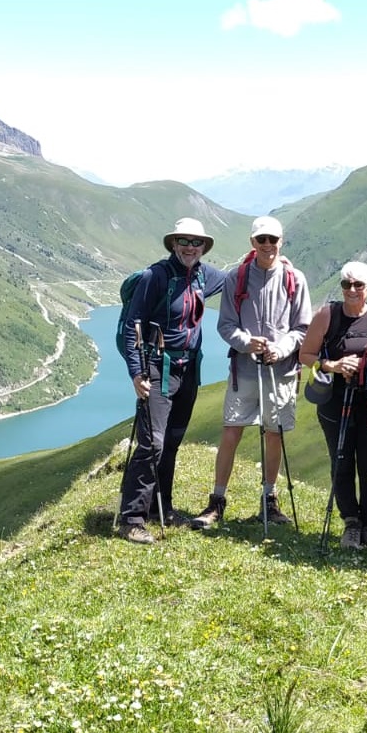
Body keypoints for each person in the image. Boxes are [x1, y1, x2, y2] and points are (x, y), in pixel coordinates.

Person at [192, 216, 312, 527]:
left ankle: (269, 501)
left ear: (281, 241)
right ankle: (217, 501)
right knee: (232, 430)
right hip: (244, 367)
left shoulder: (294, 279)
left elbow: (303, 328)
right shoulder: (237, 278)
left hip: (281, 369)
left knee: (274, 434)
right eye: (262, 240)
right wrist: (249, 343)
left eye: (273, 239)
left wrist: (281, 348)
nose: (268, 245)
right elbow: (226, 325)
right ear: (253, 243)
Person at [116, 218, 227, 544]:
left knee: (172, 442)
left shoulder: (203, 275)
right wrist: (137, 373)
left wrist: (270, 259)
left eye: (196, 242)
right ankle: (131, 518)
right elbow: (133, 324)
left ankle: (159, 508)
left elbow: (237, 275)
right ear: (174, 244)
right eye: (184, 241)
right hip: (157, 369)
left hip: (188, 370)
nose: (190, 247)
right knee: (153, 443)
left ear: (203, 247)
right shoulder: (156, 276)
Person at [298, 261, 367, 550]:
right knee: (341, 460)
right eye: (346, 284)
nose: (351, 290)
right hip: (334, 401)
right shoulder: (327, 315)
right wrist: (334, 365)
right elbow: (306, 354)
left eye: (358, 285)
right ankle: (351, 523)